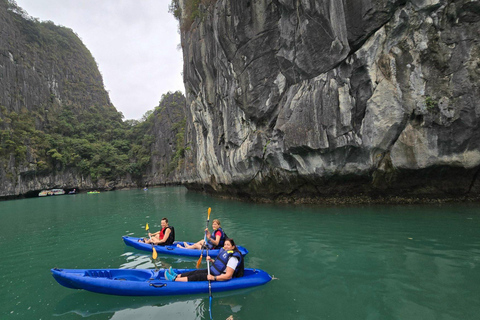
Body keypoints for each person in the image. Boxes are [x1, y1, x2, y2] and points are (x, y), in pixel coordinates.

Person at [165, 238, 244, 282]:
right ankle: (177, 275)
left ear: (233, 247)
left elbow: (228, 276)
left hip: (219, 276)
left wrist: (214, 278)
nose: (226, 246)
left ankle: (174, 279)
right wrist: (211, 260)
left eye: (228, 245)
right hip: (213, 271)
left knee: (198, 276)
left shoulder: (233, 258)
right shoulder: (225, 253)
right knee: (195, 272)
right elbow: (222, 265)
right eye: (225, 244)